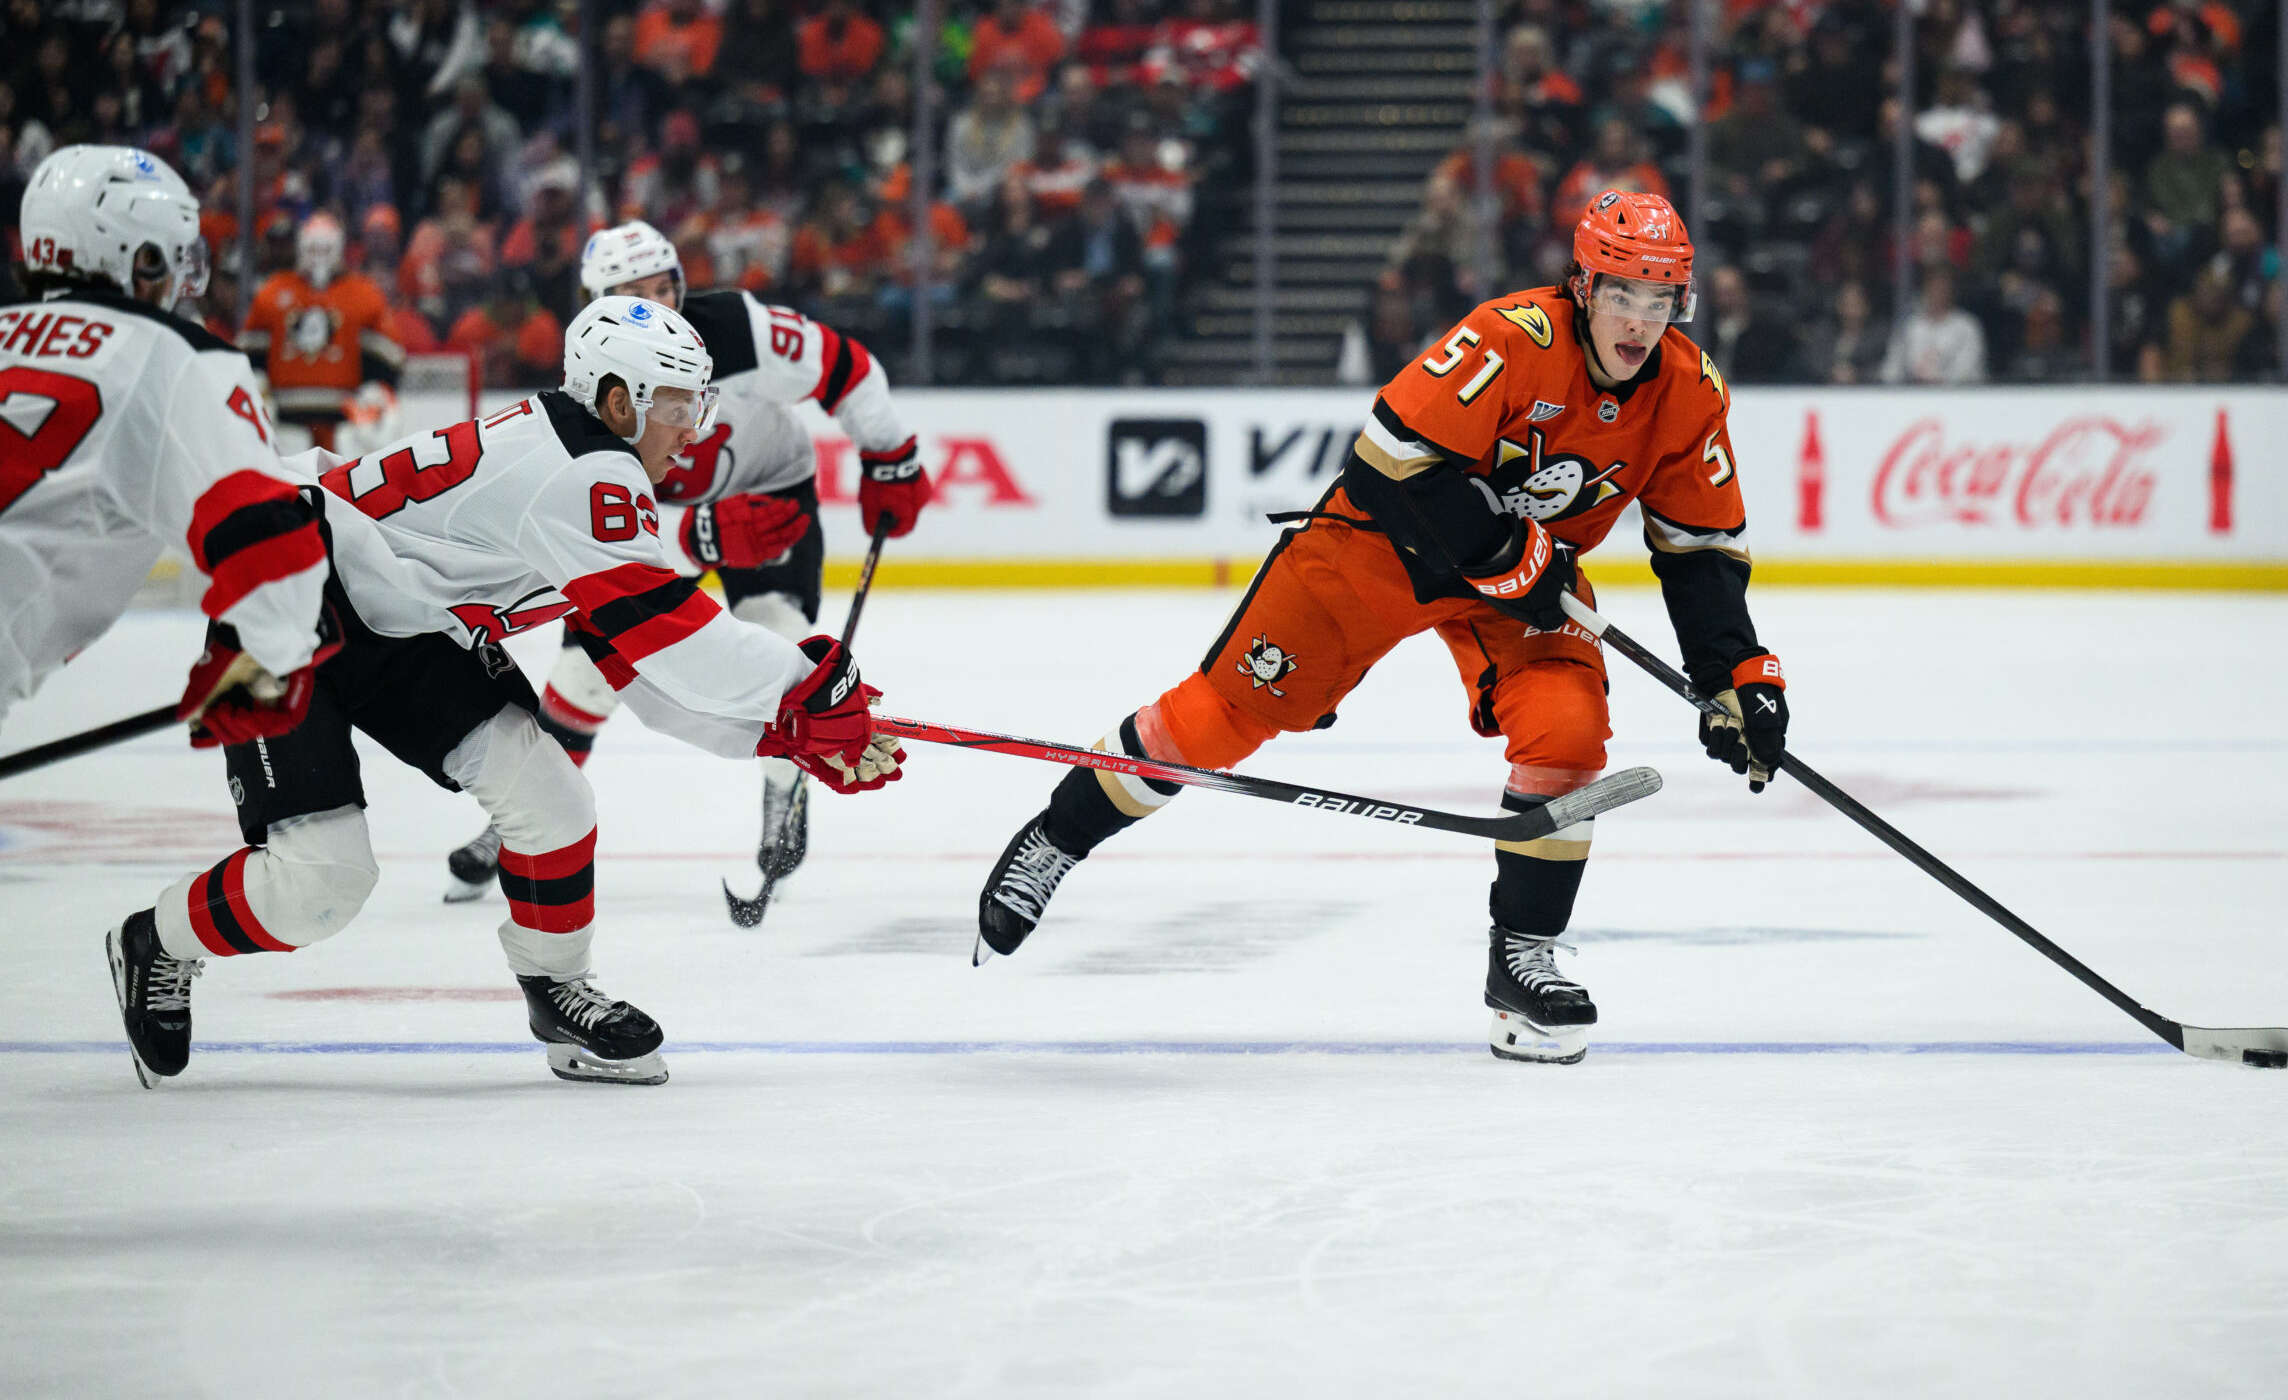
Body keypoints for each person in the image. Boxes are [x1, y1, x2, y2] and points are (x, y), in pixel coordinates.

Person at [968, 192, 1789, 1067]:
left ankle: (1523, 958)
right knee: (1218, 719)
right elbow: (1392, 461)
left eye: (1661, 299)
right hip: (1381, 550)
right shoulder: (1510, 340)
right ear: (1582, 286)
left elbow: (1700, 549)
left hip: (1523, 584)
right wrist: (1507, 550)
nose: (1640, 321)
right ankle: (1058, 835)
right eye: (1623, 294)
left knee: (1570, 727)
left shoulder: (1690, 391)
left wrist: (1736, 672)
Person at [114, 295, 904, 1090]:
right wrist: (807, 689)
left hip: (397, 623)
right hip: (284, 597)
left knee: (552, 798)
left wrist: (778, 731)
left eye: (697, 402)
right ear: (619, 400)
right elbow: (681, 639)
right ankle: (156, 940)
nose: (692, 429)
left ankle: (557, 992)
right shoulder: (587, 472)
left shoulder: (588, 458)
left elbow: (643, 670)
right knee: (321, 882)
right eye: (675, 404)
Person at [442, 223, 933, 908]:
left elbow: (842, 364)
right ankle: (518, 820)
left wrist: (890, 452)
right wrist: (696, 532)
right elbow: (585, 507)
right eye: (633, 296)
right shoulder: (594, 375)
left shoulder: (737, 329)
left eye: (665, 287)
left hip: (765, 491)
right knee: (585, 675)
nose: (660, 308)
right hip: (654, 518)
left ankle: (785, 789)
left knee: (781, 638)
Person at [2, 142, 330, 815]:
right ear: (138, 258)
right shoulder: (176, 356)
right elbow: (273, 549)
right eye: (171, 256)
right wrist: (264, 663)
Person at [238, 211, 406, 452]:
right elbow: (249, 355)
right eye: (312, 249)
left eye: (325, 249)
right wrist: (258, 387)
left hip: (345, 426)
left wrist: (375, 392)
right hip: (285, 425)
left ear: (339, 249)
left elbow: (390, 361)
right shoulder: (272, 292)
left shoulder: (364, 294)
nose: (318, 257)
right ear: (300, 248)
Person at [1881, 264, 1988, 384]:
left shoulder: (1967, 327)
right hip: (1910, 398)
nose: (1938, 291)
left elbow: (1966, 373)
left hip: (1954, 399)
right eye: (1933, 285)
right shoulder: (1909, 327)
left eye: (1944, 286)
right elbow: (1891, 370)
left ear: (1952, 289)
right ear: (1925, 288)